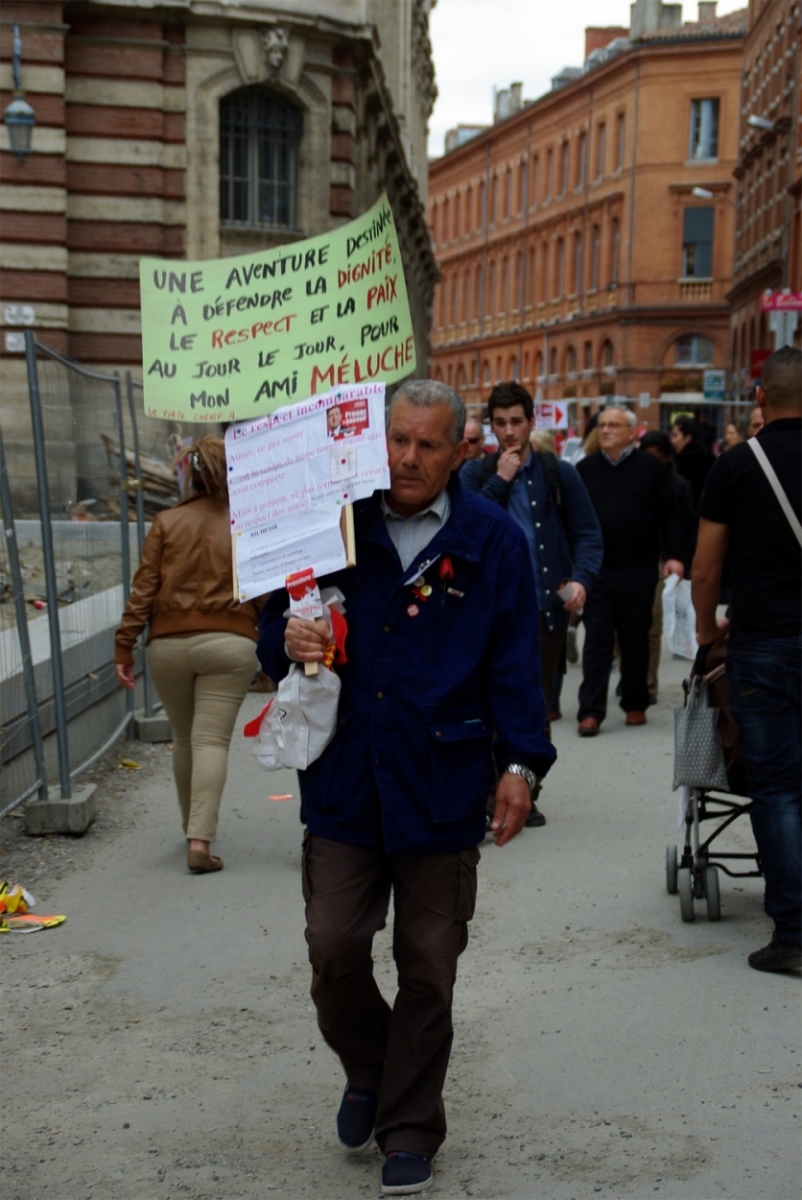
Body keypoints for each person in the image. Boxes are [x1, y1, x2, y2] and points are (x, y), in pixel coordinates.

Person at [257, 379, 555, 1196]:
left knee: (429, 963)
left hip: (444, 784)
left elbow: (516, 665)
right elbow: (271, 639)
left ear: (460, 450)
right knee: (335, 949)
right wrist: (290, 636)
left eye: (426, 445)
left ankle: (411, 1125)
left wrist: (522, 765)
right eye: (395, 440)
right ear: (373, 440)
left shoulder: (489, 540)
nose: (406, 459)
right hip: (348, 778)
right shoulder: (335, 529)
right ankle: (373, 1067)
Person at [692, 345, 801, 973]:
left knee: (779, 788)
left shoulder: (736, 466)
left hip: (761, 645)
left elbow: (705, 569)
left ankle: (793, 934)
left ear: (759, 397)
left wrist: (707, 633)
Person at [115, 435, 262, 874]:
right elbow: (263, 589)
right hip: (231, 641)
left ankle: (189, 828)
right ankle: (202, 838)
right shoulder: (246, 522)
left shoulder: (165, 522)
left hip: (168, 644)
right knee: (212, 740)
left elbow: (144, 589)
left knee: (184, 739)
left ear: (189, 473)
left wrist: (125, 644)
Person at [460, 381, 603, 823]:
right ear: (490, 426)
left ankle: (525, 788)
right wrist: (501, 481)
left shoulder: (558, 472)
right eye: (499, 423)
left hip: (543, 607)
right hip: (485, 610)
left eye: (516, 422)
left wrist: (580, 579)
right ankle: (488, 792)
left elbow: (587, 534)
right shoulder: (475, 475)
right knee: (484, 701)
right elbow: (466, 532)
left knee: (533, 701)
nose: (508, 432)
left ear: (531, 422)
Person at [575, 407, 684, 734]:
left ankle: (635, 703)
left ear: (632, 433)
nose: (605, 430)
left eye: (613, 425)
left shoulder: (651, 468)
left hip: (638, 567)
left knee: (636, 637)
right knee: (596, 640)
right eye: (602, 425)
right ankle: (590, 711)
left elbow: (672, 514)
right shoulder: (585, 469)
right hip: (598, 568)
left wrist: (675, 555)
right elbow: (574, 519)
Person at [639, 431, 697, 704]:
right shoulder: (633, 482)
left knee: (652, 624)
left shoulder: (677, 485)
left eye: (657, 457)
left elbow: (687, 526)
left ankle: (647, 684)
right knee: (624, 624)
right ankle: (633, 676)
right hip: (633, 558)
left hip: (664, 560)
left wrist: (681, 559)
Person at [670, 416, 714, 509]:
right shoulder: (675, 456)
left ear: (688, 437)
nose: (672, 440)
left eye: (676, 436)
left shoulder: (691, 461)